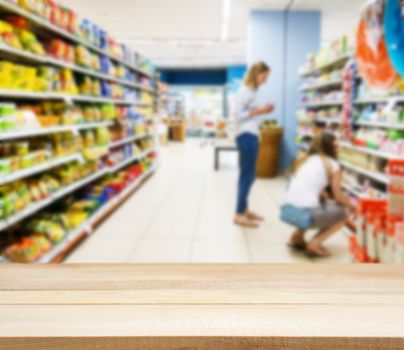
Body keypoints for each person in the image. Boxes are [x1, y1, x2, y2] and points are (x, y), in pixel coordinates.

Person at [283, 132, 355, 258]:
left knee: (315, 201)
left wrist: (325, 196)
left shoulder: (305, 159)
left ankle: (296, 237)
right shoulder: (333, 164)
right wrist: (354, 207)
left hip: (288, 212)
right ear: (330, 147)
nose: (338, 148)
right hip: (305, 214)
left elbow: (309, 187)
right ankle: (315, 244)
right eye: (336, 145)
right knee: (344, 212)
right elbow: (338, 197)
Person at [233, 61, 274, 228]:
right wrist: (260, 110)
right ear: (255, 74)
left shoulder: (251, 92)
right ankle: (238, 213)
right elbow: (237, 115)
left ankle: (244, 208)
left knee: (249, 175)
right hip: (245, 135)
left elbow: (248, 113)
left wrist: (262, 109)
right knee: (247, 175)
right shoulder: (244, 91)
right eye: (264, 77)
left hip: (251, 134)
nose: (265, 81)